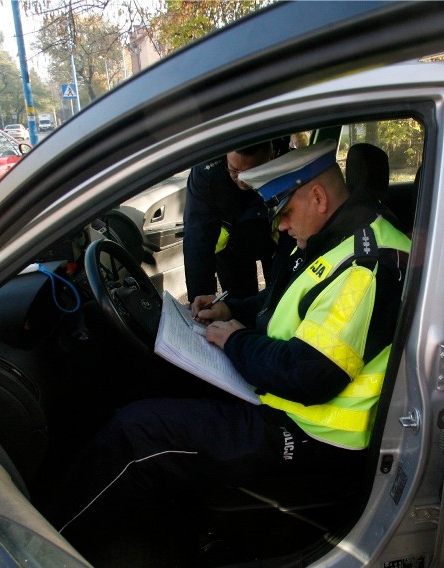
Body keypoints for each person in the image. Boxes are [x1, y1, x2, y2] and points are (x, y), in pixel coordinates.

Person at [48, 139, 411, 555]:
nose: (283, 228)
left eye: (286, 215)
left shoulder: (363, 266)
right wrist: (228, 311)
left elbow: (309, 375)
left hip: (308, 433)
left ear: (318, 196)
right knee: (155, 389)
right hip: (284, 403)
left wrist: (236, 339)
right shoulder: (334, 236)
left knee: (137, 432)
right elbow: (282, 303)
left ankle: (40, 550)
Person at [183, 141, 277, 302]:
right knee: (238, 304)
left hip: (276, 233)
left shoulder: (283, 154)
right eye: (234, 170)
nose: (241, 182)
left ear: (271, 157)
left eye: (250, 174)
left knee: (280, 295)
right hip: (233, 243)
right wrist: (201, 296)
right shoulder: (206, 170)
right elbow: (197, 237)